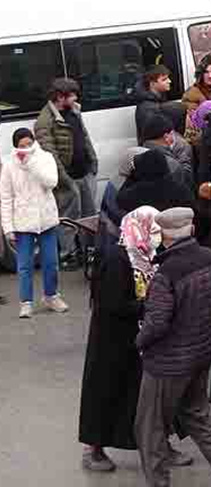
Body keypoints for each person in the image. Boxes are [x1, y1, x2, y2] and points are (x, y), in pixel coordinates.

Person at [133, 207, 211, 487]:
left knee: (149, 428)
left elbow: (158, 322)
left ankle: (158, 482)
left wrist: (140, 340)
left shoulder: (166, 274)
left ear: (165, 238)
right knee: (197, 416)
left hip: (167, 364)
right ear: (191, 231)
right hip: (201, 355)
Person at [78, 198, 144, 472]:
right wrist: (146, 305)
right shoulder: (117, 258)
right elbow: (113, 303)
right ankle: (94, 447)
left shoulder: (131, 252)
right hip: (111, 339)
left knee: (131, 393)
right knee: (104, 392)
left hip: (125, 336)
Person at [2, 128, 66, 318]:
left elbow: (51, 182)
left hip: (46, 219)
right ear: (15, 147)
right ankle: (26, 302)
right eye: (22, 146)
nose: (26, 149)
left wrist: (31, 164)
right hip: (23, 222)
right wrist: (8, 228)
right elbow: (5, 198)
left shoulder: (45, 158)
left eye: (29, 144)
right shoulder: (9, 166)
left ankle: (51, 296)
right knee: (24, 265)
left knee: (51, 262)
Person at [34, 77, 98, 266]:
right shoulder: (44, 121)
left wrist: (93, 161)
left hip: (84, 172)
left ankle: (89, 251)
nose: (76, 98)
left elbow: (84, 137)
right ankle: (68, 255)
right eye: (72, 95)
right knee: (68, 218)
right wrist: (66, 180)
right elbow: (50, 155)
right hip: (67, 177)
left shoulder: (74, 111)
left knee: (88, 215)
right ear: (60, 97)